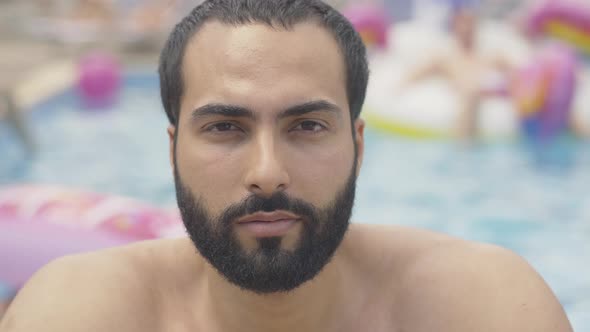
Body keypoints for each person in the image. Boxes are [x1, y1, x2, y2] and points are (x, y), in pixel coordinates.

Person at [0, 1, 573, 331]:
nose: (268, 172)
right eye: (226, 128)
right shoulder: (79, 312)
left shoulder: (484, 309)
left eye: (306, 126)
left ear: (359, 145)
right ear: (172, 149)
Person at [398, 6, 517, 139]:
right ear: (455, 26)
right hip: (467, 97)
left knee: (473, 90)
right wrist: (401, 86)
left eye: (471, 22)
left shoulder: (490, 55)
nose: (467, 28)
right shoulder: (447, 57)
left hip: (489, 91)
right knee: (469, 92)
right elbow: (419, 71)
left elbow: (517, 70)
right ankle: (464, 148)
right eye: (463, 23)